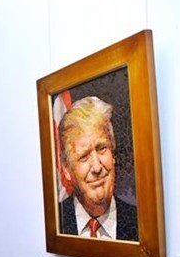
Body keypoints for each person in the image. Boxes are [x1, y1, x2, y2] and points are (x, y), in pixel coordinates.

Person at [57, 96, 138, 241]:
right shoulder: (55, 222)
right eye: (84, 156)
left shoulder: (140, 223)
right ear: (66, 170)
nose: (96, 167)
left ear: (113, 154)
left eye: (102, 149)